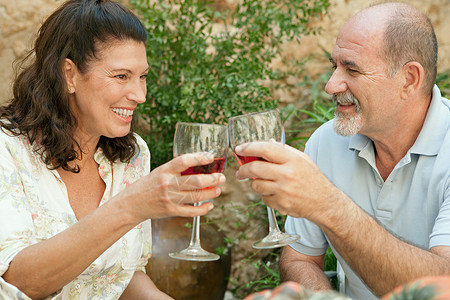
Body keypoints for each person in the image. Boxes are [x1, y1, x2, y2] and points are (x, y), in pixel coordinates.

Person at [0, 0, 225, 299]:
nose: (140, 95)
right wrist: (131, 206)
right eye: (121, 76)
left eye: (142, 76)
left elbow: (120, 277)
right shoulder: (8, 150)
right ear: (69, 74)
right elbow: (18, 282)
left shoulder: (133, 155)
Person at [234, 2, 450, 299]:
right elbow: (299, 259)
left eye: (352, 69)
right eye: (333, 66)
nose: (331, 85)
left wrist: (328, 205)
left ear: (409, 79)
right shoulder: (326, 141)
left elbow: (444, 288)